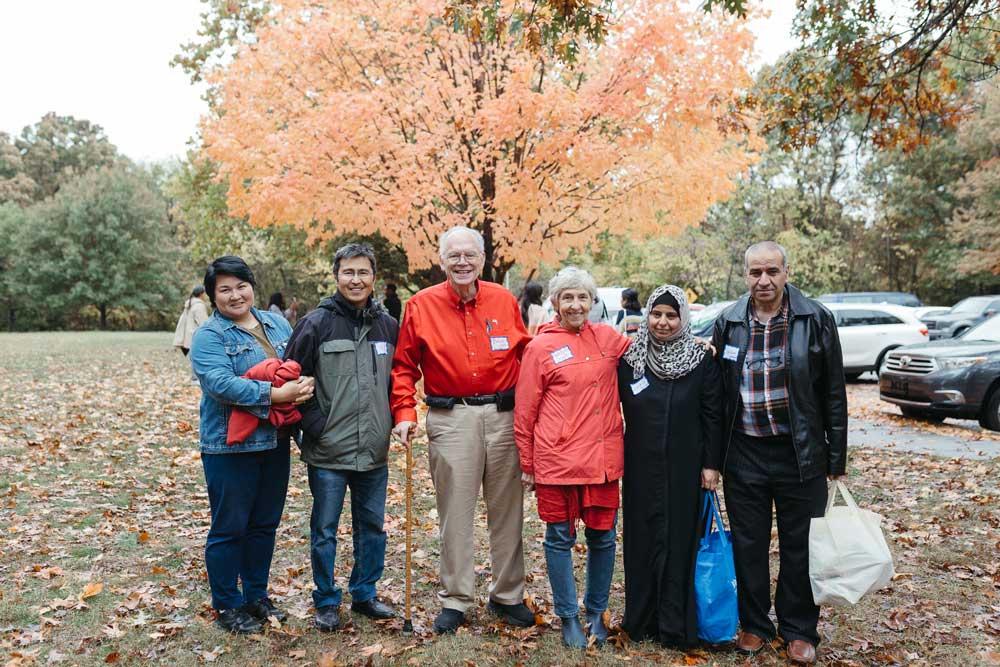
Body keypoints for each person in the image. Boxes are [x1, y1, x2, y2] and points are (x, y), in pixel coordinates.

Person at [390, 226, 535, 634]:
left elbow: (526, 355)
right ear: (441, 261)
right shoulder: (421, 305)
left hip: (504, 416)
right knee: (455, 512)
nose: (462, 262)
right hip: (451, 418)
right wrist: (405, 412)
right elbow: (403, 367)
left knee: (507, 510)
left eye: (469, 255)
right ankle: (456, 598)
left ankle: (507, 593)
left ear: (482, 259)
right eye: (453, 255)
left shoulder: (504, 300)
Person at [711, 241, 847, 665]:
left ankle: (800, 629)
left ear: (787, 271)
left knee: (800, 544)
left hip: (799, 453)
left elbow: (834, 395)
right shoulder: (729, 322)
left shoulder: (815, 318)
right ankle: (754, 624)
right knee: (748, 544)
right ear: (745, 275)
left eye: (771, 271)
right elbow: (716, 398)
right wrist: (713, 460)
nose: (763, 280)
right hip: (744, 453)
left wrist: (836, 461)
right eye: (755, 273)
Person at [190, 256, 315, 634]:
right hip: (231, 447)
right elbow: (220, 384)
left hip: (275, 441)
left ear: (252, 286)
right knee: (230, 527)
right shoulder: (210, 336)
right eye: (224, 289)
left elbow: (295, 362)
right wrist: (277, 394)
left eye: (241, 286)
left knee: (264, 525)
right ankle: (227, 605)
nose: (235, 295)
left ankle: (256, 596)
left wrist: (304, 386)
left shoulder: (276, 322)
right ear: (213, 295)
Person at [284, 243, 399, 631]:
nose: (356, 279)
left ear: (373, 277)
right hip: (328, 451)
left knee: (372, 527)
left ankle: (365, 593)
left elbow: (396, 384)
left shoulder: (387, 326)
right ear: (336, 276)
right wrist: (316, 426)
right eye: (348, 272)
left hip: (374, 451)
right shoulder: (316, 324)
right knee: (325, 530)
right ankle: (327, 599)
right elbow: (290, 381)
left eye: (363, 272)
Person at [514, 267, 631, 648]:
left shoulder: (608, 339)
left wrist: (700, 345)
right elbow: (525, 411)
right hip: (557, 459)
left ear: (593, 301)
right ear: (555, 303)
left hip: (601, 457)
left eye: (582, 297)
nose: (576, 304)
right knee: (559, 538)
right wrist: (528, 464)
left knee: (603, 538)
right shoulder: (540, 347)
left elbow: (652, 350)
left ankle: (596, 613)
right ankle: (568, 617)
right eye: (568, 297)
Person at [617, 284, 722, 648]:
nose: (662, 322)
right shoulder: (630, 361)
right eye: (656, 314)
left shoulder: (700, 360)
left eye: (671, 315)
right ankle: (642, 621)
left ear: (683, 318)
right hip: (640, 467)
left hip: (686, 468)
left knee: (680, 542)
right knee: (642, 539)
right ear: (647, 316)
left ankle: (675, 625)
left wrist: (711, 465)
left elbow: (713, 415)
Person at [173, 285, 209, 358]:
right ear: (201, 294)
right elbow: (204, 323)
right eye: (205, 293)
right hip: (196, 337)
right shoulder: (199, 306)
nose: (206, 296)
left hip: (188, 337)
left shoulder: (190, 304)